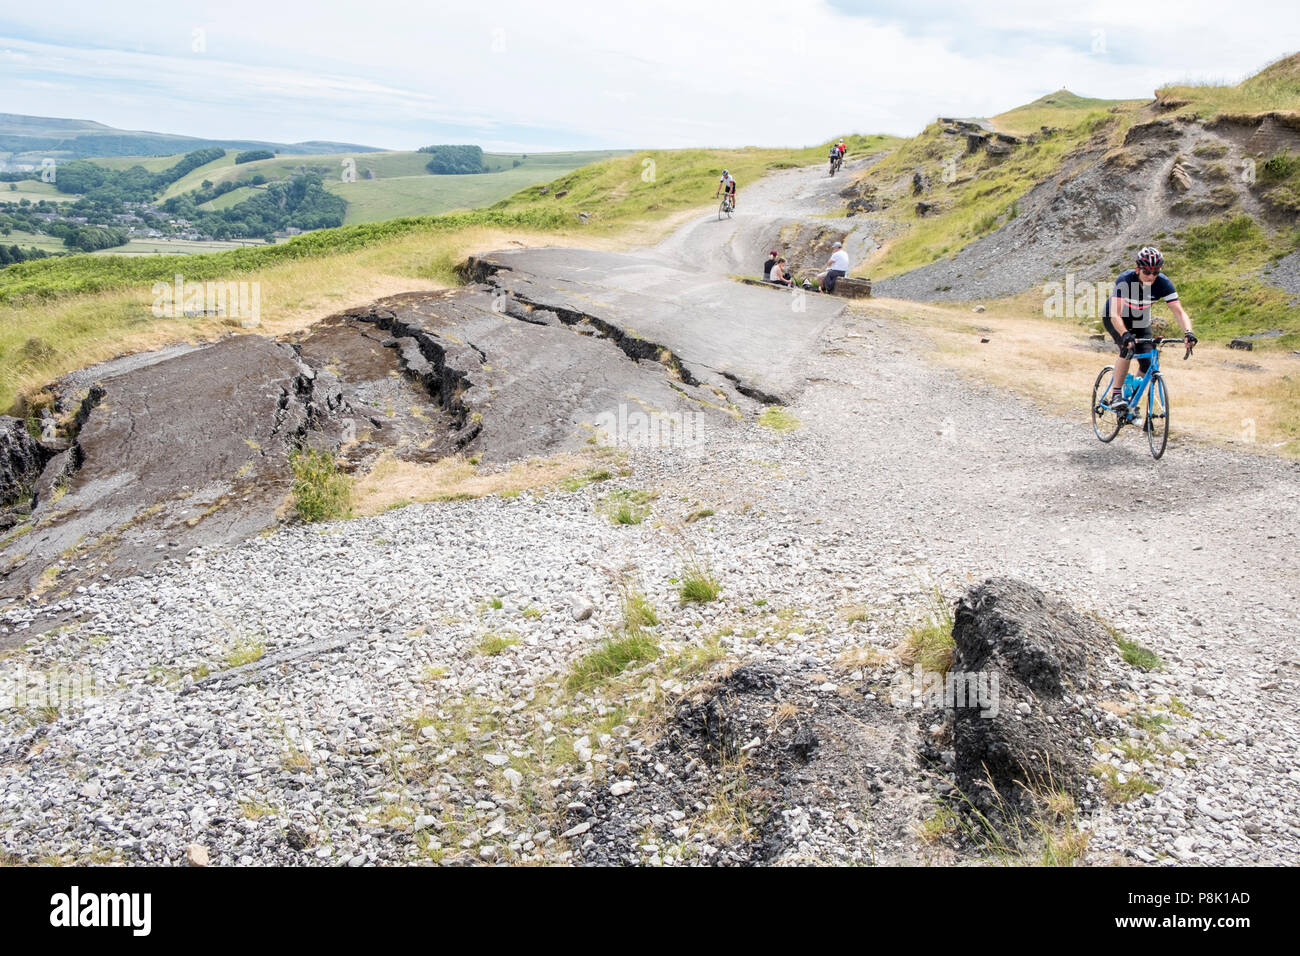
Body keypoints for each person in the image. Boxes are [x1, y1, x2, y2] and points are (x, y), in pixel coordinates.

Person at [1102, 246, 1196, 414]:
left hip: (1140, 321)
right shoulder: (1125, 280)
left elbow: (1179, 312)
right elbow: (1115, 314)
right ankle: (1116, 394)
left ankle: (1132, 400)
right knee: (1128, 348)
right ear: (1137, 269)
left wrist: (1188, 332)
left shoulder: (1163, 283)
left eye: (1155, 272)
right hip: (1116, 318)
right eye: (1147, 272)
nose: (1151, 276)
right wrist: (1125, 335)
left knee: (1148, 364)